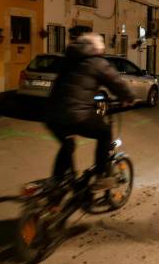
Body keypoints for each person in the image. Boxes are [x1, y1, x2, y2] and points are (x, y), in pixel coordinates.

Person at [46, 33, 135, 190]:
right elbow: (116, 81)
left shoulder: (69, 60)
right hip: (75, 114)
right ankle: (100, 177)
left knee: (68, 144)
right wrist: (128, 97)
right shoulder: (97, 62)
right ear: (96, 49)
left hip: (51, 113)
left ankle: (57, 180)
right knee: (105, 133)